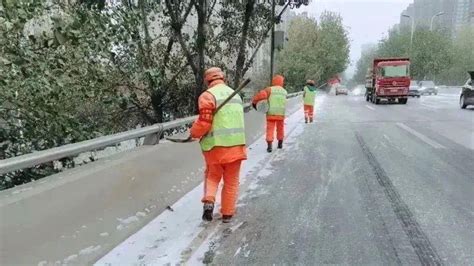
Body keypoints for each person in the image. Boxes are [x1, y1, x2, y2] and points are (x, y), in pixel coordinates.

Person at [190, 67, 247, 223]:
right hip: (236, 146)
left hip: (215, 148)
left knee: (213, 176)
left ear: (207, 81)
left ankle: (209, 202)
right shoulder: (236, 96)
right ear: (224, 79)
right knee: (232, 181)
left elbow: (204, 123)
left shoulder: (207, 96)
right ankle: (227, 214)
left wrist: (193, 133)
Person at [252, 75, 288, 153]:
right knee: (280, 129)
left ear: (273, 81)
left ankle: (269, 146)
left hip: (271, 113)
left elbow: (260, 96)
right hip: (281, 114)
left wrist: (254, 103)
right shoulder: (284, 91)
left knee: (270, 129)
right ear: (282, 82)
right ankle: (280, 143)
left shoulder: (269, 90)